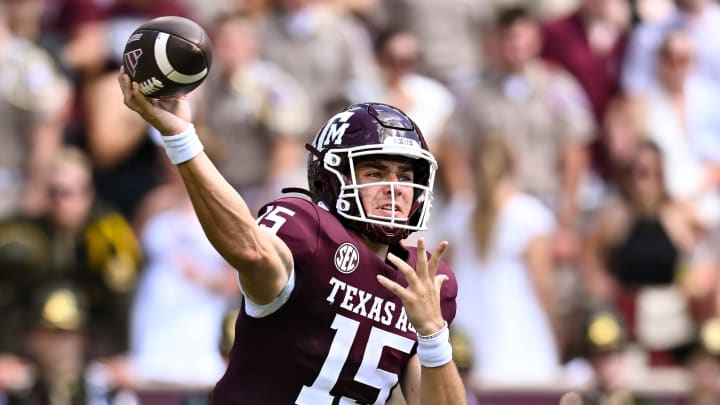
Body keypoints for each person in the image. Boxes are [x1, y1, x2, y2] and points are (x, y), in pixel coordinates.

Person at [117, 68, 465, 404]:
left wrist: (433, 333)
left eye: (405, 176)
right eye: (376, 172)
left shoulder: (425, 281)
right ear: (333, 178)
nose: (394, 189)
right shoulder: (307, 231)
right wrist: (181, 138)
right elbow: (250, 249)